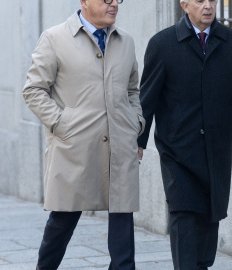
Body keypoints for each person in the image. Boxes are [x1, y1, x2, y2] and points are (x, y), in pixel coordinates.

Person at [22, 0, 145, 269]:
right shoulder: (55, 38)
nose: (114, 4)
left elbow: (133, 90)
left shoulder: (126, 41)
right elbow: (33, 90)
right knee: (63, 220)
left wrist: (135, 122)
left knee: (123, 223)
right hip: (75, 148)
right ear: (85, 1)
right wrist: (62, 124)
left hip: (120, 148)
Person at [137, 0, 232, 268]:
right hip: (177, 150)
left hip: (216, 150)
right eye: (200, 1)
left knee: (208, 221)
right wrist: (139, 140)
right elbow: (148, 99)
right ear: (185, 5)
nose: (208, 6)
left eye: (212, 0)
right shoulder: (163, 44)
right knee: (183, 214)